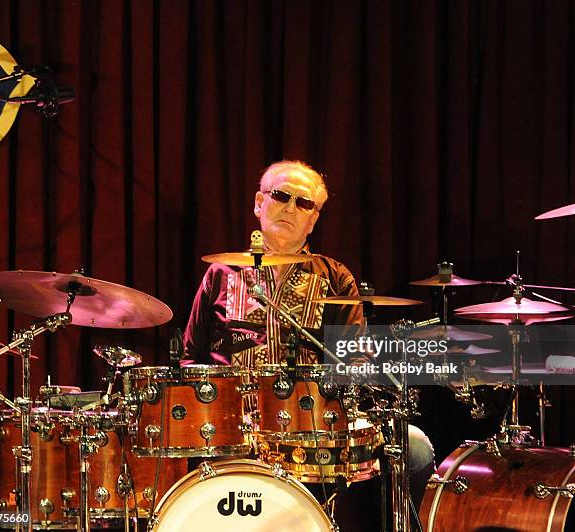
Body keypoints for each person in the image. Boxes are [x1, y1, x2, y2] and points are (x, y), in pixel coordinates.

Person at [183, 159, 434, 530]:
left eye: (304, 204)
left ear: (314, 219)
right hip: (231, 426)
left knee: (413, 448)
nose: (290, 208)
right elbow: (191, 357)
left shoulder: (334, 277)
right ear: (258, 202)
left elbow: (354, 363)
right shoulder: (222, 273)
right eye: (282, 196)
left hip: (313, 426)